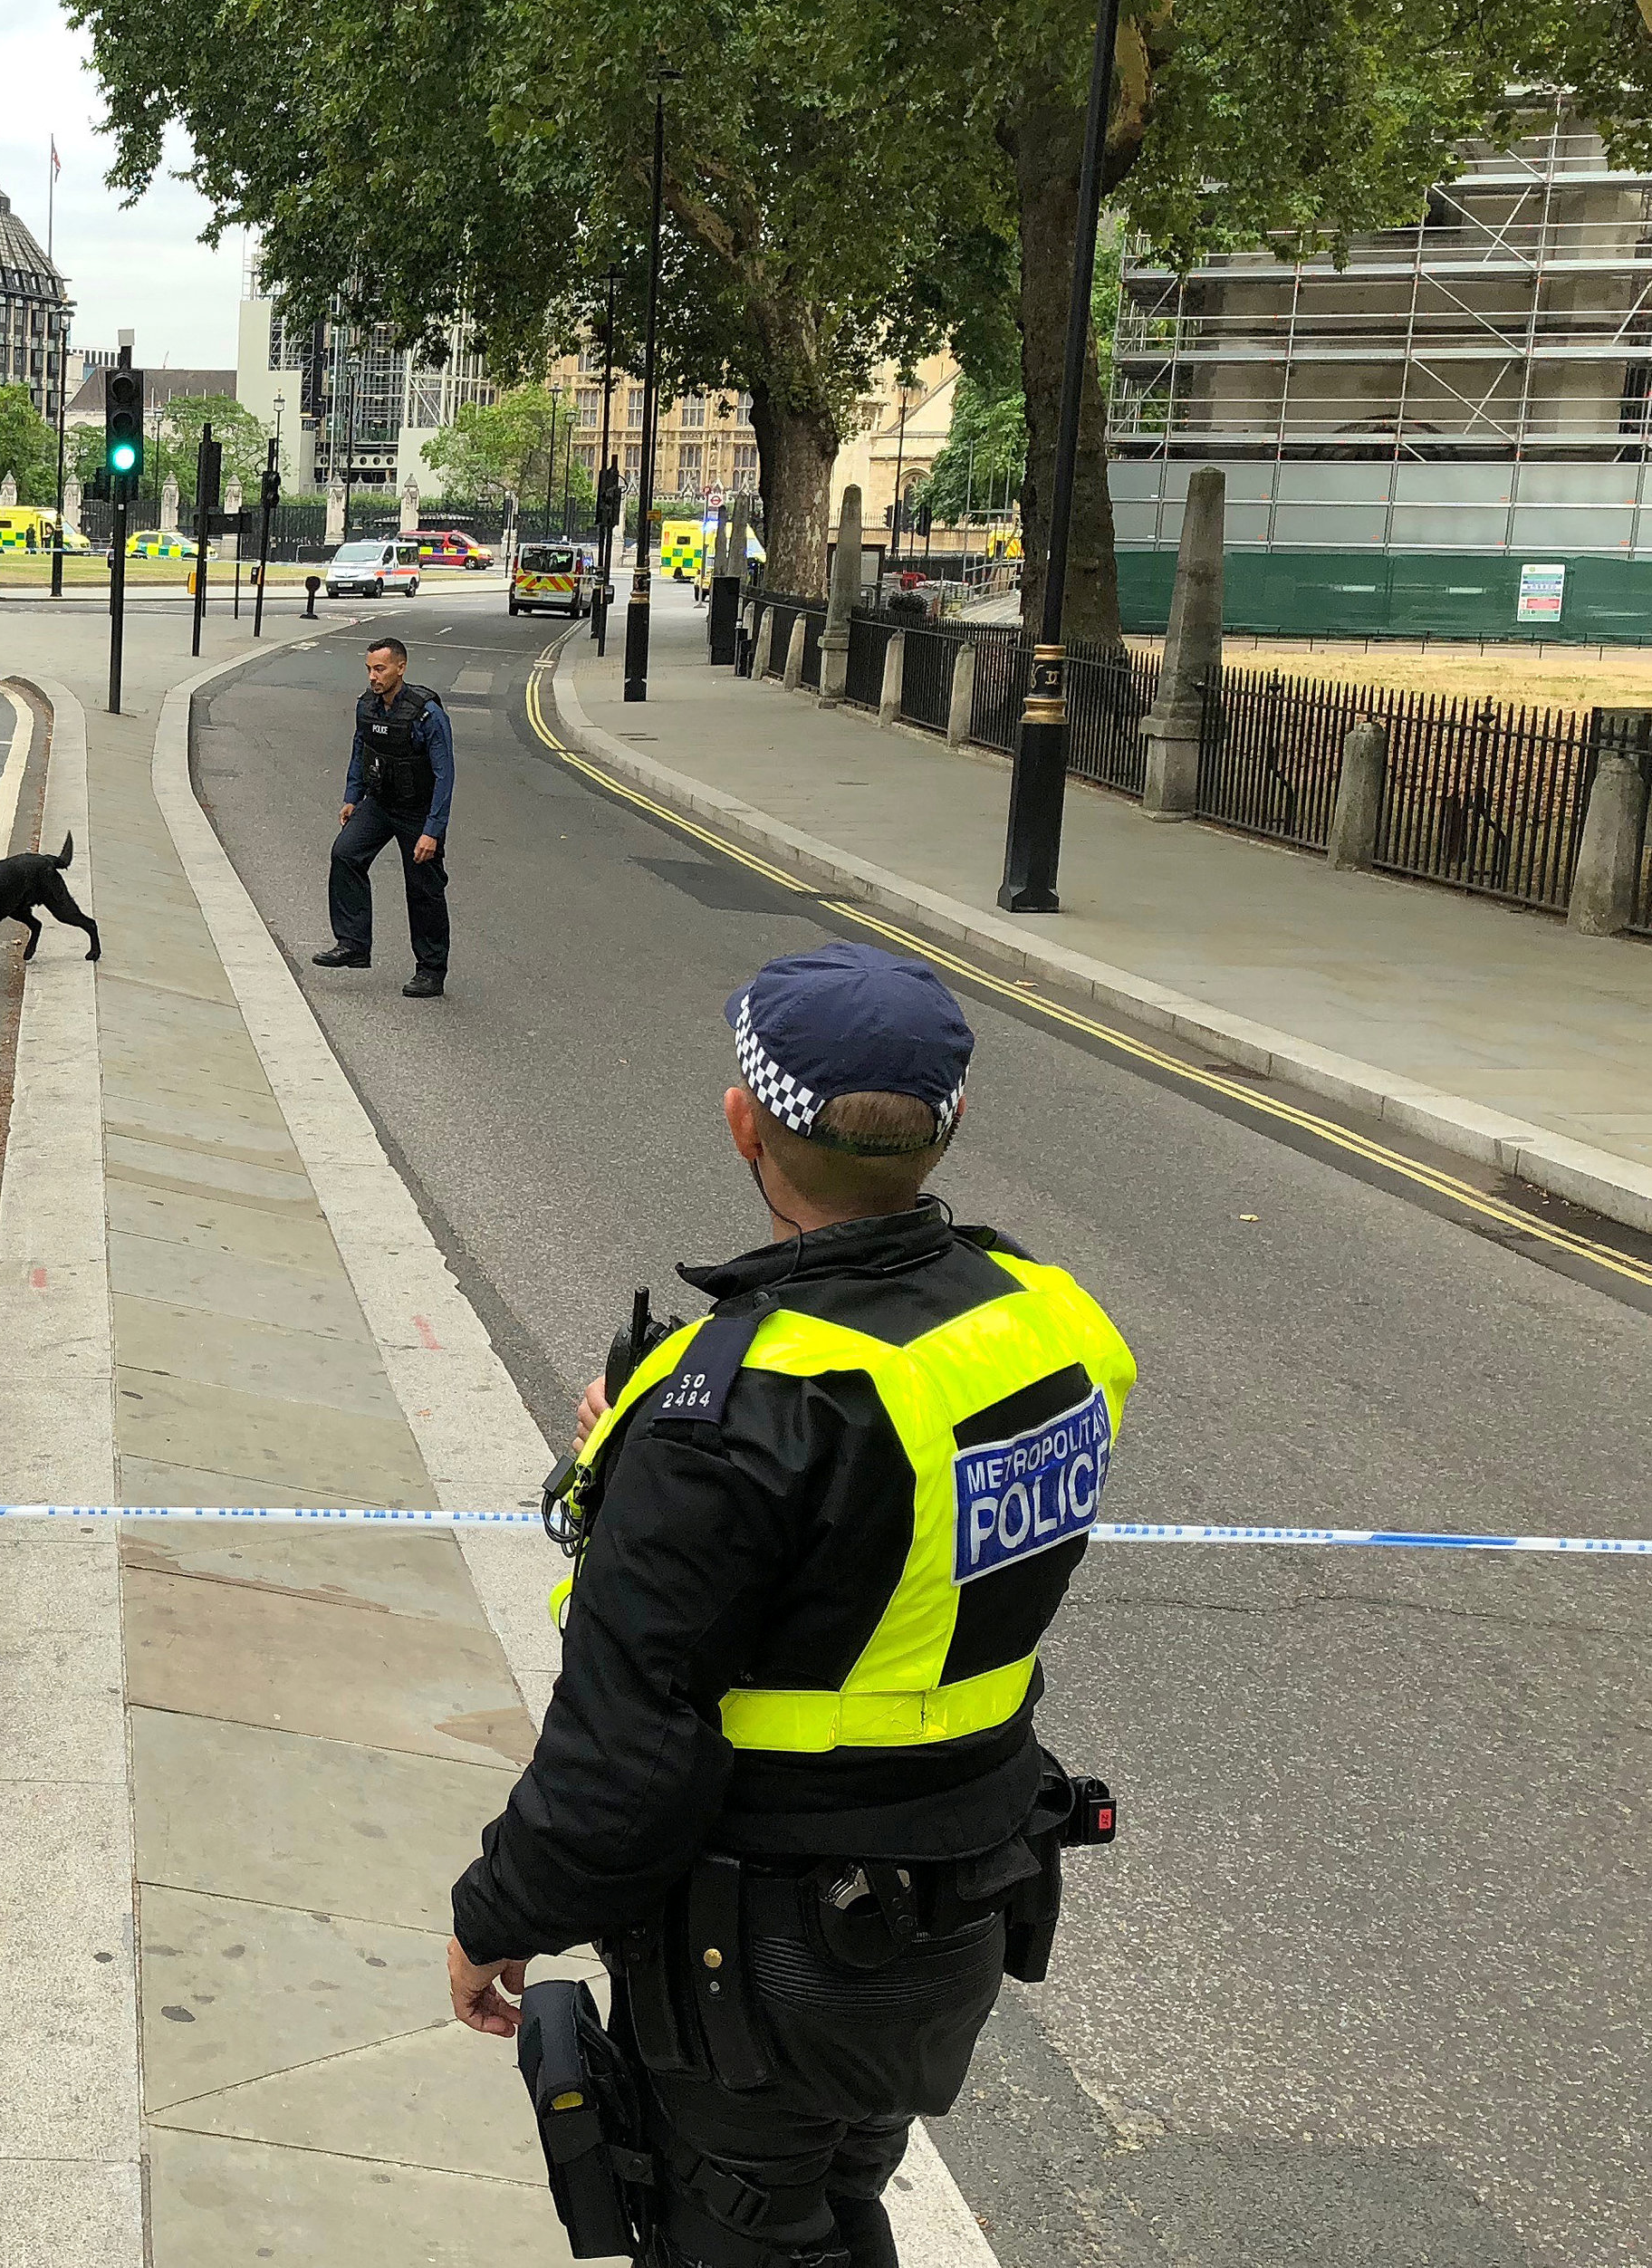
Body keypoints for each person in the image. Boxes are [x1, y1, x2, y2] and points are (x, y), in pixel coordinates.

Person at [442, 941, 1135, 2268]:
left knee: (739, 2230)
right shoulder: (1048, 1322)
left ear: (744, 1122)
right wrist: (642, 1452)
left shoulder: (734, 1409)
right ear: (953, 1125)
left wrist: (495, 1917)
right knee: (839, 2192)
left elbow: (622, 1748)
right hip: (957, 1905)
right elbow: (899, 1533)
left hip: (765, 1952)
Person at [312, 635, 454, 997]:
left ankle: (431, 971)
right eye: (369, 669)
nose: (373, 677)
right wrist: (352, 795)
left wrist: (432, 831)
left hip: (417, 811)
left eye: (380, 669)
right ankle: (353, 944)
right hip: (378, 803)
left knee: (423, 888)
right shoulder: (368, 706)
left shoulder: (427, 714)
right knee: (345, 854)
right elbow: (361, 747)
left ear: (401, 668)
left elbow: (444, 774)